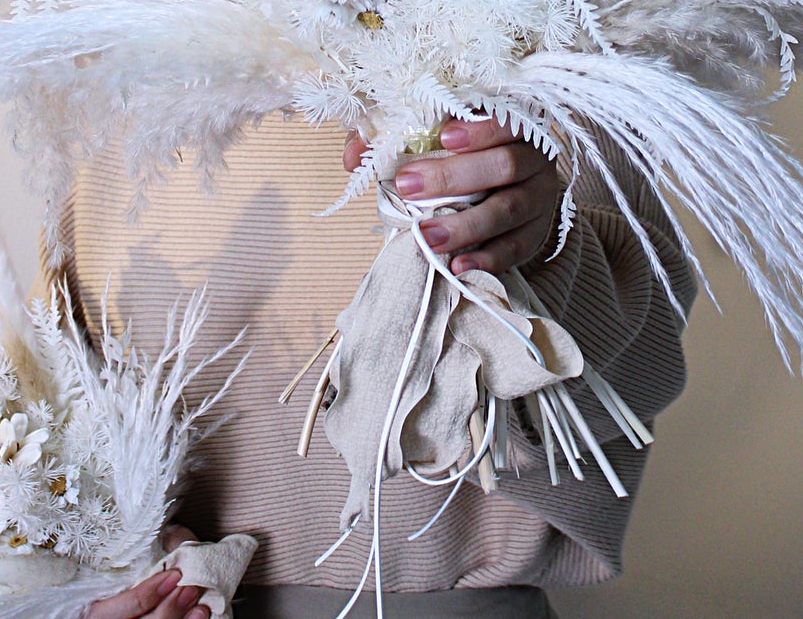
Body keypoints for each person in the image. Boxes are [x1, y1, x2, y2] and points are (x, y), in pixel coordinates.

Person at [57, 111, 695, 619]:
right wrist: (94, 586)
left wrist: (523, 261)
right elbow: (34, 421)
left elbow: (627, 376)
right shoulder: (124, 95)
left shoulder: (548, 67)